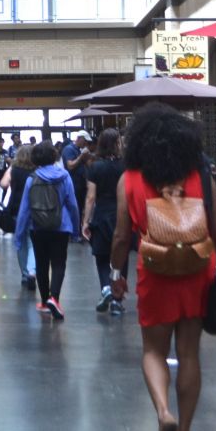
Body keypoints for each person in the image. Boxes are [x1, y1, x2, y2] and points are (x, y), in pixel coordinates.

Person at [108, 104, 216, 431]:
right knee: (190, 353)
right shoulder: (202, 177)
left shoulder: (129, 180)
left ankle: (163, 412)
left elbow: (121, 236)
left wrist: (116, 275)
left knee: (154, 350)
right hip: (197, 270)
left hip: (155, 271)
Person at [14, 141, 80, 319]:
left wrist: (19, 236)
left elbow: (24, 210)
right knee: (59, 263)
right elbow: (72, 204)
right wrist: (76, 229)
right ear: (53, 156)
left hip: (38, 227)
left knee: (42, 264)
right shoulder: (64, 176)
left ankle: (44, 302)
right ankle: (55, 299)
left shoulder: (31, 179)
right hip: (61, 227)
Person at [81, 128, 126, 315]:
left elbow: (91, 197)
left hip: (102, 215)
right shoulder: (125, 167)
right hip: (122, 215)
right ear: (117, 144)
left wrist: (85, 222)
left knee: (101, 256)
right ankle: (117, 301)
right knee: (120, 258)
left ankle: (106, 288)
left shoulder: (95, 167)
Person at [0, 143, 37, 286]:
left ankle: (25, 274)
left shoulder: (14, 169)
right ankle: (32, 271)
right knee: (32, 243)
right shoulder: (37, 169)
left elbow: (3, 184)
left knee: (20, 242)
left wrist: (11, 169)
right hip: (35, 209)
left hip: (17, 209)